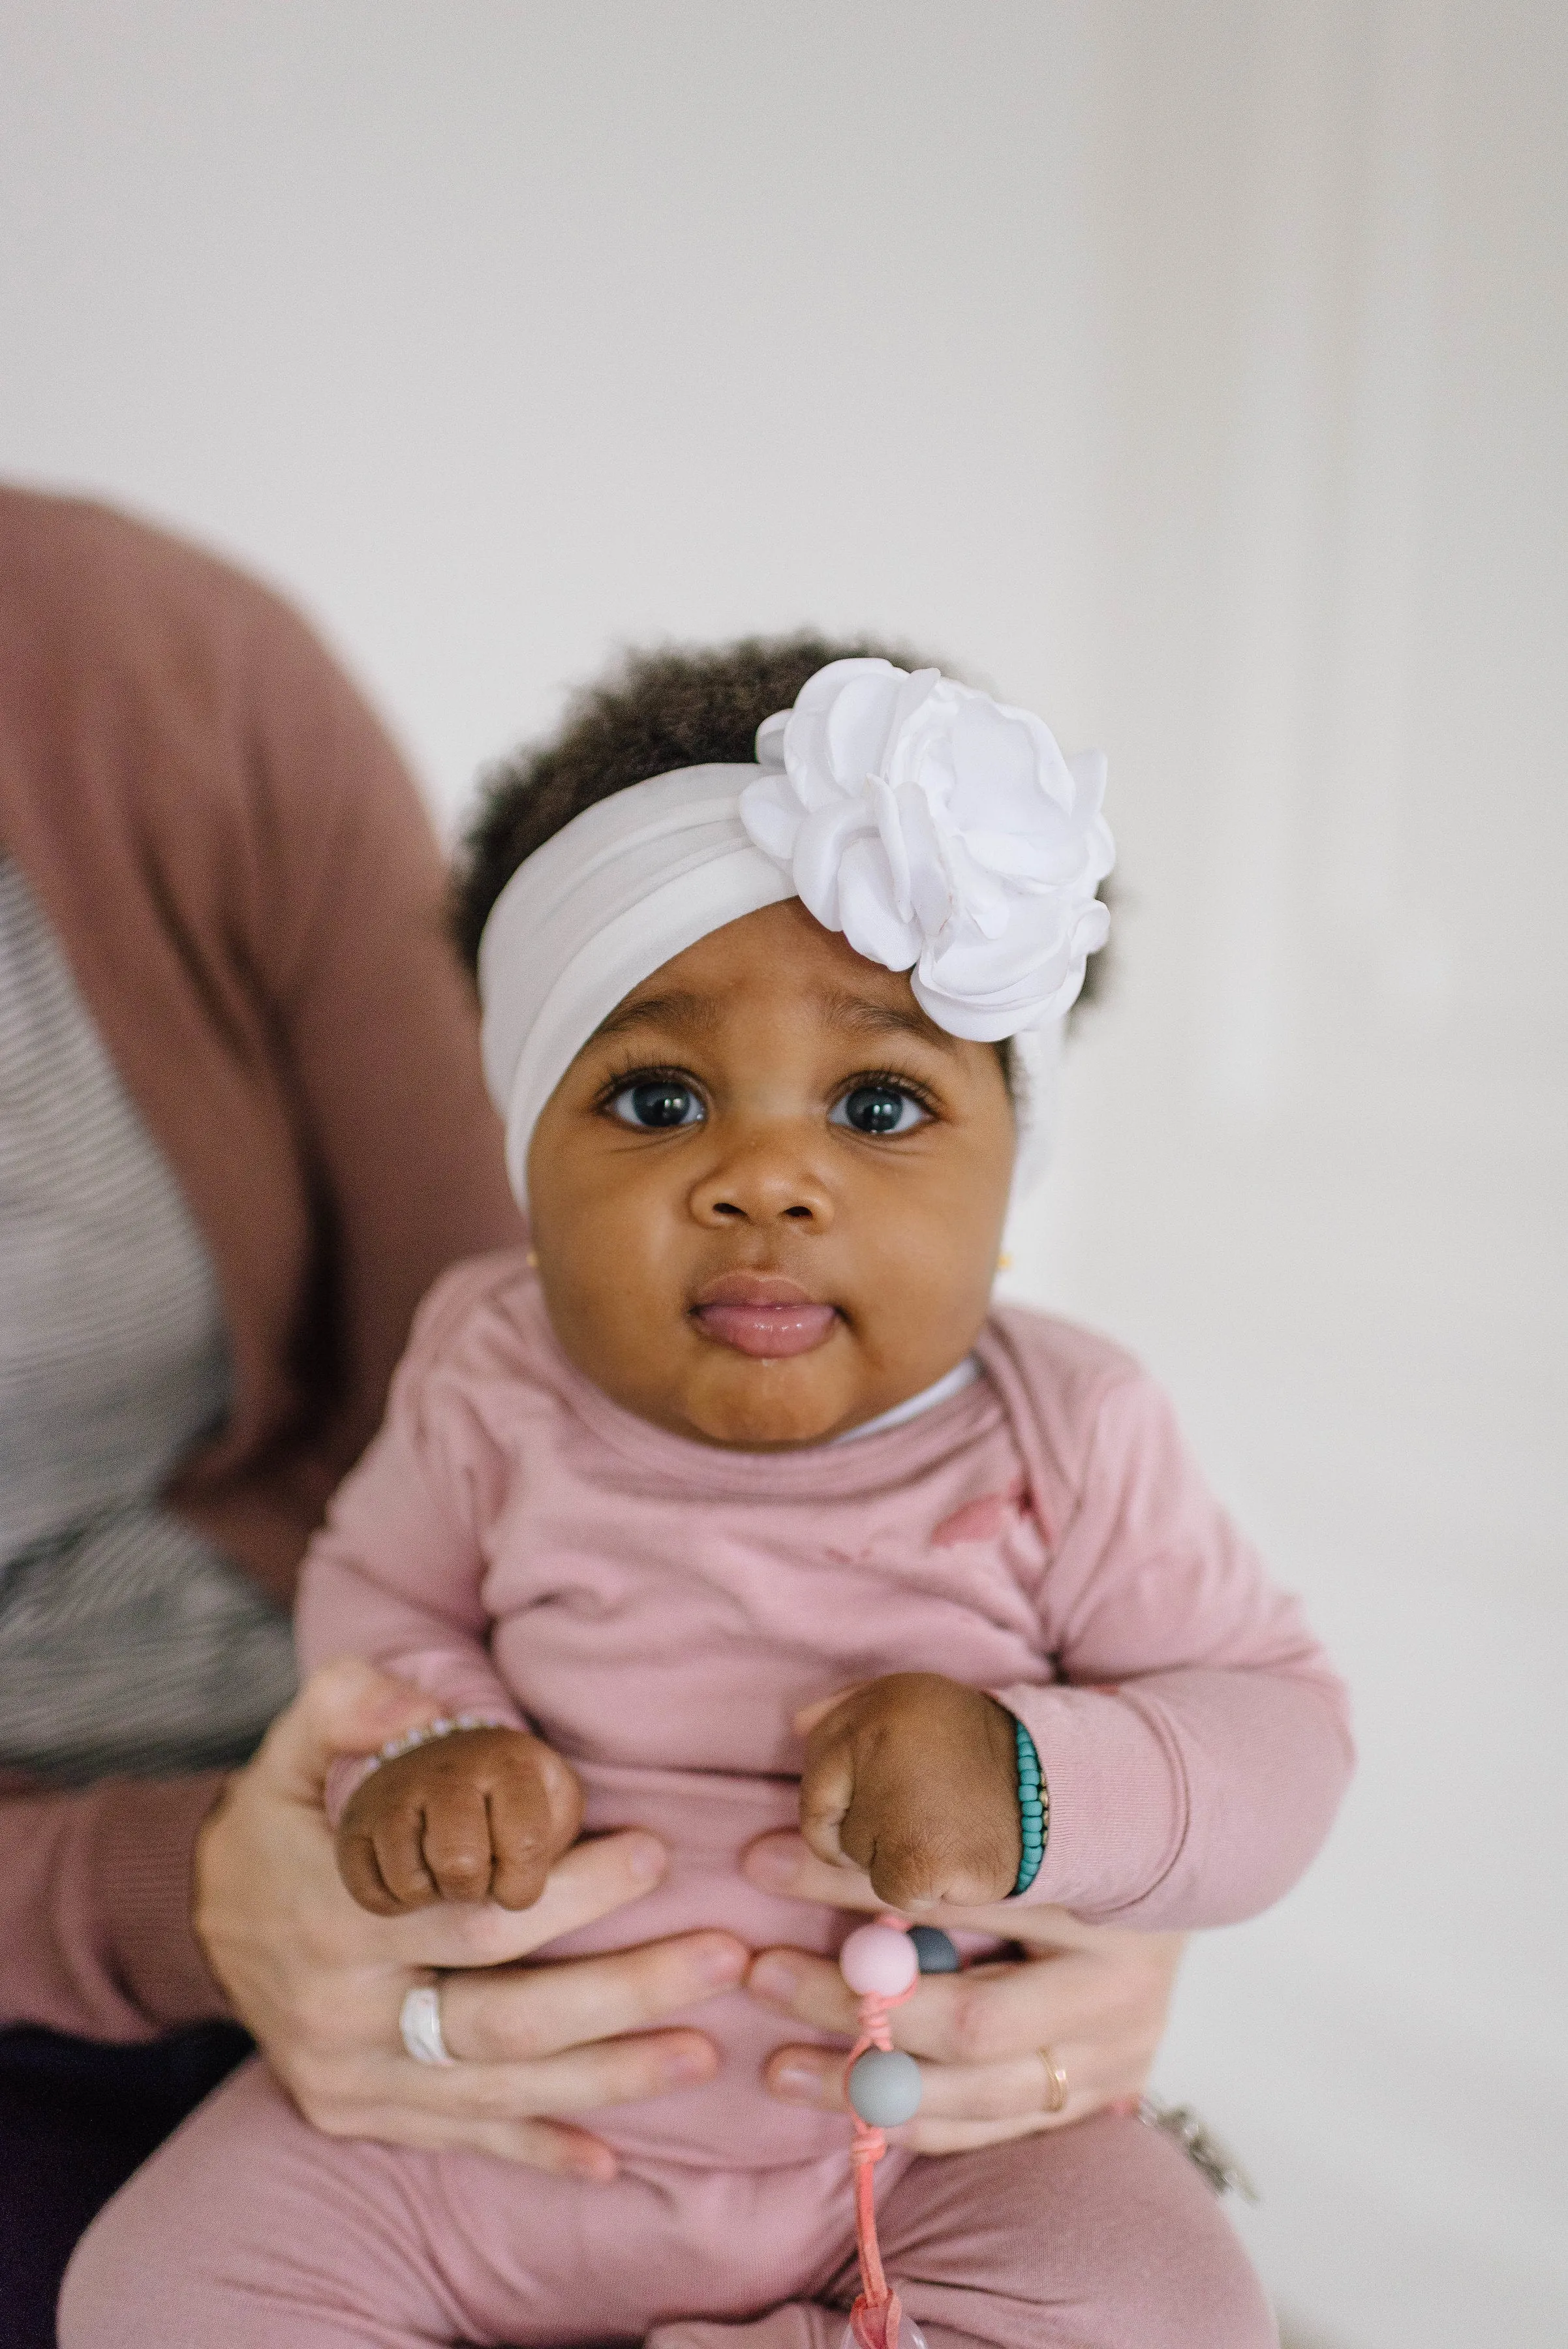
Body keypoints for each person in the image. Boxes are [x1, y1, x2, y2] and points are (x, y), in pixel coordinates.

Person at [61, 641, 1353, 2346]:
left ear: (1008, 1175)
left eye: (879, 1102)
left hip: (928, 2144)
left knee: (1174, 2308)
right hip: (504, 2122)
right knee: (167, 2291)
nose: (764, 1180)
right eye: (656, 1099)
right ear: (528, 1159)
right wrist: (433, 1752)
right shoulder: (489, 1373)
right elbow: (381, 1607)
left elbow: (1278, 1731)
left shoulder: (1068, 1430)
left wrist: (1039, 1787)